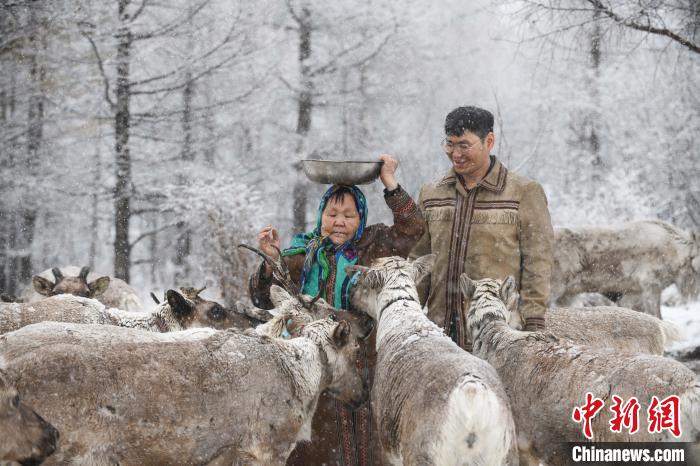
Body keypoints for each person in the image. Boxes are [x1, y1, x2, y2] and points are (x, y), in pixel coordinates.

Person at [249, 153, 424, 466]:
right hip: (316, 371)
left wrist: (389, 182)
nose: (339, 222)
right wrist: (270, 261)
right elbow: (262, 297)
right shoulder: (303, 255)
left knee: (369, 445)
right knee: (316, 446)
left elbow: (413, 228)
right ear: (321, 216)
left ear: (361, 219)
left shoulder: (375, 247)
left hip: (365, 364)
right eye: (332, 214)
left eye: (349, 215)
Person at [410, 106, 554, 350]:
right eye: (449, 144)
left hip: (497, 338)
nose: (456, 154)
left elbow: (538, 263)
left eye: (464, 145)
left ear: (489, 141)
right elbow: (420, 261)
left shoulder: (523, 192)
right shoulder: (431, 193)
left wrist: (533, 323)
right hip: (439, 336)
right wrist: (410, 315)